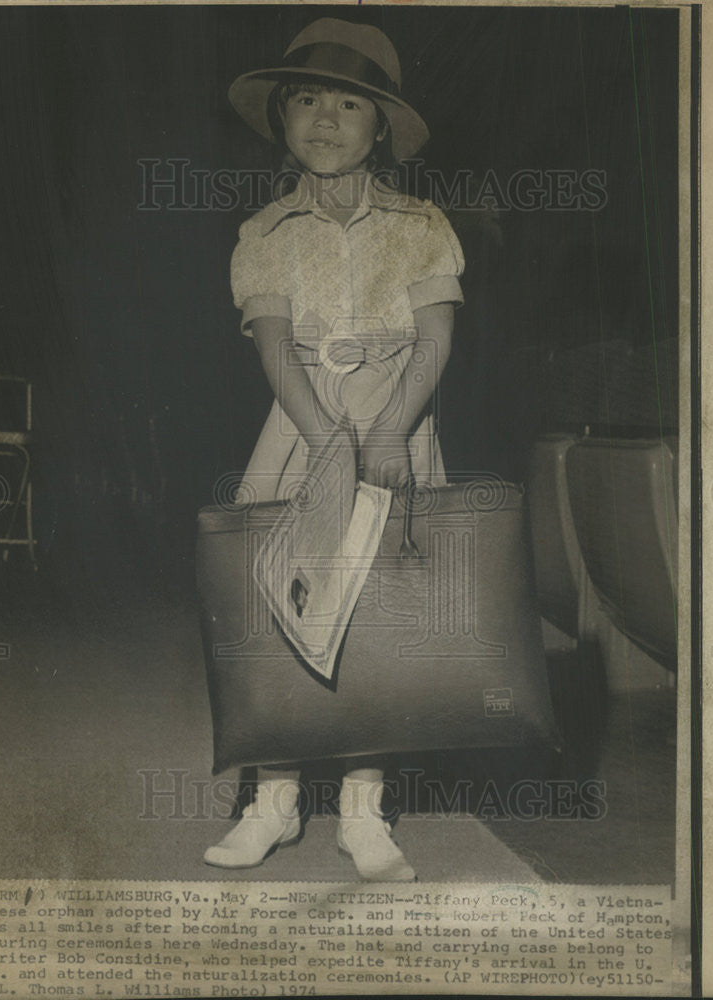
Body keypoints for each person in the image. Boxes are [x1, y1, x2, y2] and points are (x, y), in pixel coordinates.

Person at [203, 17, 464, 882]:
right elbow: (274, 344)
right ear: (281, 118)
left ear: (382, 124)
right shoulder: (265, 232)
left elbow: (434, 338)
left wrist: (387, 431)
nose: (325, 118)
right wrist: (324, 441)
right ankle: (272, 804)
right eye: (307, 99)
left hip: (395, 423)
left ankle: (363, 810)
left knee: (378, 610)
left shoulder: (421, 223)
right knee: (283, 602)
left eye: (350, 102)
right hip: (301, 425)